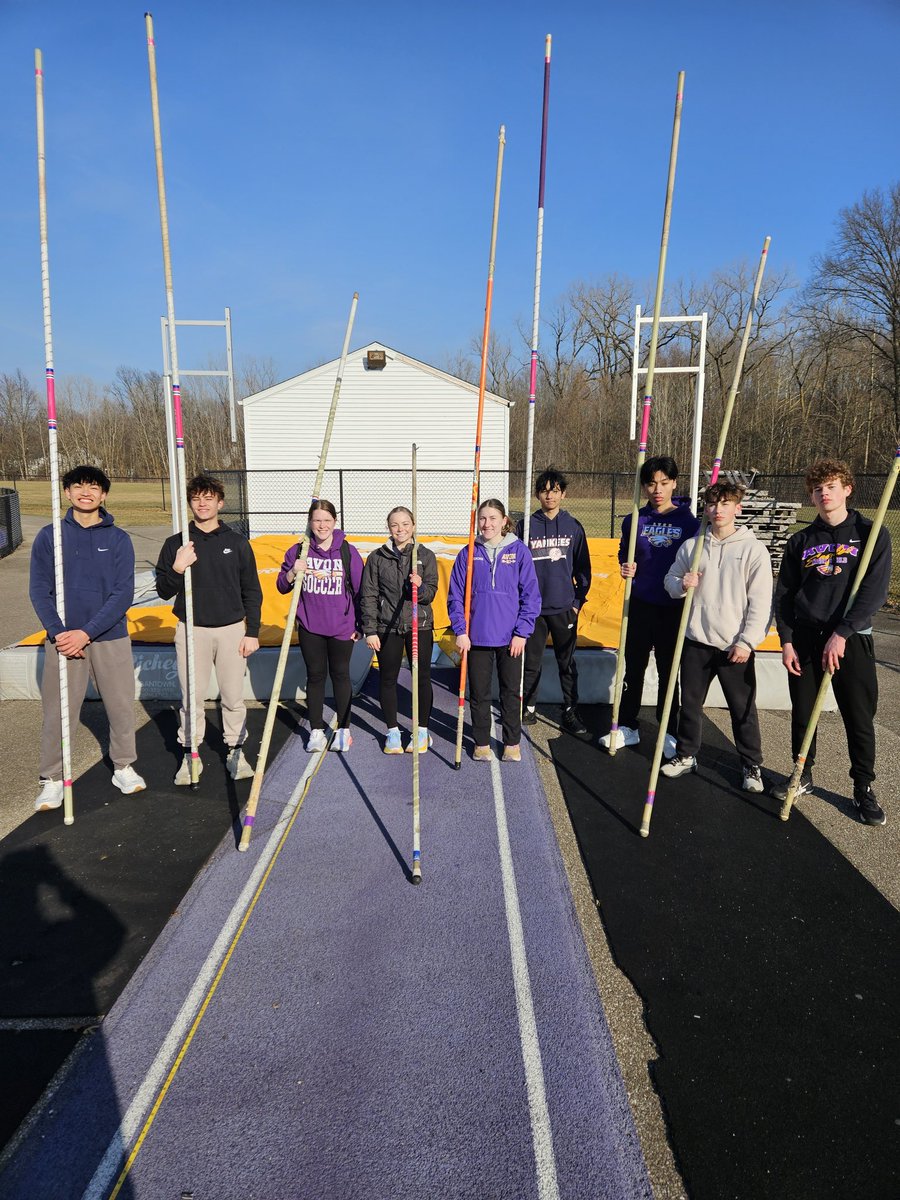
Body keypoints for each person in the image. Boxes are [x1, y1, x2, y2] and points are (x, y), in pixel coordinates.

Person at [772, 459, 890, 826]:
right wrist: (787, 641)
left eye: (831, 487)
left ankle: (863, 788)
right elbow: (786, 595)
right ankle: (802, 773)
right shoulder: (801, 541)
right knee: (804, 712)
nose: (824, 494)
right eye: (817, 489)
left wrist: (843, 632)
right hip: (806, 638)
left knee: (858, 715)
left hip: (851, 638)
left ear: (847, 489)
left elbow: (874, 591)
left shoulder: (871, 534)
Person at [30, 465, 146, 810]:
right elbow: (39, 589)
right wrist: (61, 632)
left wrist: (87, 632)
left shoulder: (119, 539)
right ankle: (51, 778)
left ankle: (123, 766)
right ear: (67, 492)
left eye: (93, 487)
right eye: (78, 486)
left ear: (104, 495)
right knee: (59, 711)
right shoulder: (51, 537)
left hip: (109, 637)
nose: (85, 492)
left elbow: (123, 593)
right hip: (63, 639)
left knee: (121, 706)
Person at [661, 481, 772, 792]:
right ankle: (686, 755)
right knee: (690, 703)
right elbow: (669, 582)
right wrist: (683, 583)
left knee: (742, 708)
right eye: (712, 504)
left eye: (725, 504)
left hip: (734, 645)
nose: (717, 510)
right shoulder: (692, 547)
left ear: (737, 508)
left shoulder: (753, 550)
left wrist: (747, 642)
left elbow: (762, 601)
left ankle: (751, 764)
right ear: (705, 509)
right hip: (697, 640)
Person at [156, 473, 262, 784]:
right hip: (192, 630)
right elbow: (163, 589)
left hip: (231, 629)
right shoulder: (176, 543)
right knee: (192, 697)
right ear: (190, 503)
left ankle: (236, 749)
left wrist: (252, 631)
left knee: (232, 696)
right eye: (196, 498)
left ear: (220, 503)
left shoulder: (237, 543)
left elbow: (252, 591)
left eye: (208, 498)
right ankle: (192, 755)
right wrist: (178, 567)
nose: (202, 503)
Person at [601, 456, 700, 755]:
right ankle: (628, 726)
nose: (657, 489)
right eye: (651, 483)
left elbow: (697, 558)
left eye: (664, 483)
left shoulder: (689, 523)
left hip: (672, 607)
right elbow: (624, 551)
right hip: (641, 604)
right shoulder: (635, 519)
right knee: (634, 668)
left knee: (670, 671)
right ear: (644, 486)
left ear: (674, 484)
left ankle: (668, 730)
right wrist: (625, 564)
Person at [448, 498, 541, 762]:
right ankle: (481, 742)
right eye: (482, 518)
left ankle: (511, 742)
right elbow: (456, 595)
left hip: (510, 637)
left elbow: (531, 596)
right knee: (479, 693)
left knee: (511, 692)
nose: (486, 524)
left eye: (492, 518)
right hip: (476, 637)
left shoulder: (519, 551)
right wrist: (460, 630)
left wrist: (522, 632)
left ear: (504, 521)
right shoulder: (468, 552)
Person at [277, 501, 364, 752]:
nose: (322, 525)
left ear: (335, 522)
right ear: (310, 522)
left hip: (342, 627)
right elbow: (282, 586)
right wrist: (294, 571)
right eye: (316, 520)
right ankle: (316, 730)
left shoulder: (347, 552)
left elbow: (360, 590)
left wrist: (360, 623)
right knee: (315, 677)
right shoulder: (298, 551)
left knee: (340, 675)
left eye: (326, 520)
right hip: (310, 626)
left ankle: (344, 729)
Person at [516, 468, 592, 739]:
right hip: (533, 610)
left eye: (555, 490)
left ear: (563, 494)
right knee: (531, 662)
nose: (550, 495)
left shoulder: (573, 526)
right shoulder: (525, 526)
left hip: (563, 608)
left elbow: (583, 568)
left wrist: (576, 602)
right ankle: (529, 706)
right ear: (537, 494)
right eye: (545, 490)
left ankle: (570, 709)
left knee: (566, 662)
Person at [360, 507, 439, 754]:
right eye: (395, 525)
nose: (401, 529)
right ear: (389, 527)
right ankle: (393, 731)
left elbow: (431, 591)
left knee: (422, 677)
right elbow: (369, 594)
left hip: (419, 625)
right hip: (387, 627)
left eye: (405, 524)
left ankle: (422, 730)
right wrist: (369, 630)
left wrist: (420, 586)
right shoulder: (377, 557)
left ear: (413, 526)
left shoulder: (425, 555)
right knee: (388, 679)